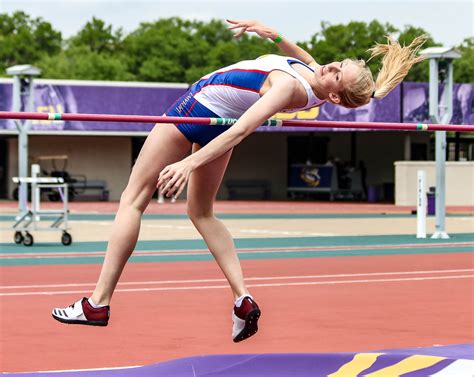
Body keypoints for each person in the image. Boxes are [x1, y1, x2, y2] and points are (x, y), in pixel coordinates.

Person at [52, 19, 426, 342]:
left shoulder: (289, 90)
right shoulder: (315, 80)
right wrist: (272, 33)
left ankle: (97, 304)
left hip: (198, 110)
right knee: (201, 213)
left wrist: (189, 163)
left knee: (132, 199)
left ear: (334, 94)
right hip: (218, 120)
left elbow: (243, 130)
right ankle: (242, 299)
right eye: (337, 63)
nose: (329, 66)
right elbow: (304, 59)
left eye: (335, 73)